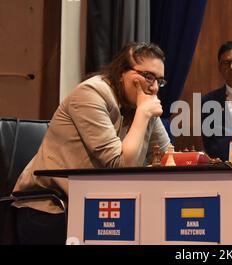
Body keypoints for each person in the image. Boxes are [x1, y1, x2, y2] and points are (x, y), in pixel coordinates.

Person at [12, 42, 171, 244]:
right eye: (148, 77)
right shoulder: (91, 94)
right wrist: (143, 114)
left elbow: (168, 157)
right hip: (49, 208)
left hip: (95, 206)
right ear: (122, 72)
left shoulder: (139, 104)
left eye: (159, 80)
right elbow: (120, 168)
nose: (154, 87)